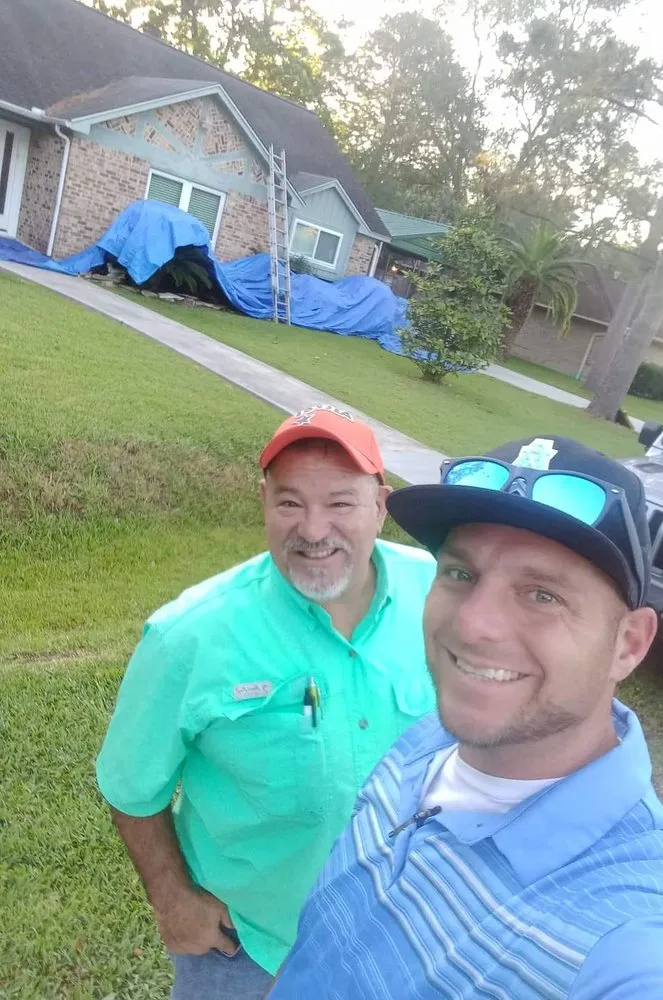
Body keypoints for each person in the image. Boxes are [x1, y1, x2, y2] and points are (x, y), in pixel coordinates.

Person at [270, 436, 663, 999]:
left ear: (628, 644)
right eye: (461, 574)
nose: (473, 626)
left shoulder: (642, 946)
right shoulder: (427, 739)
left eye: (542, 595)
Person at [96, 405, 437, 1000]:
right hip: (250, 948)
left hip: (401, 934)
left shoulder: (437, 590)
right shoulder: (189, 636)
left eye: (340, 503)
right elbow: (131, 788)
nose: (313, 529)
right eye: (289, 503)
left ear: (381, 506)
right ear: (263, 502)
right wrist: (173, 899)